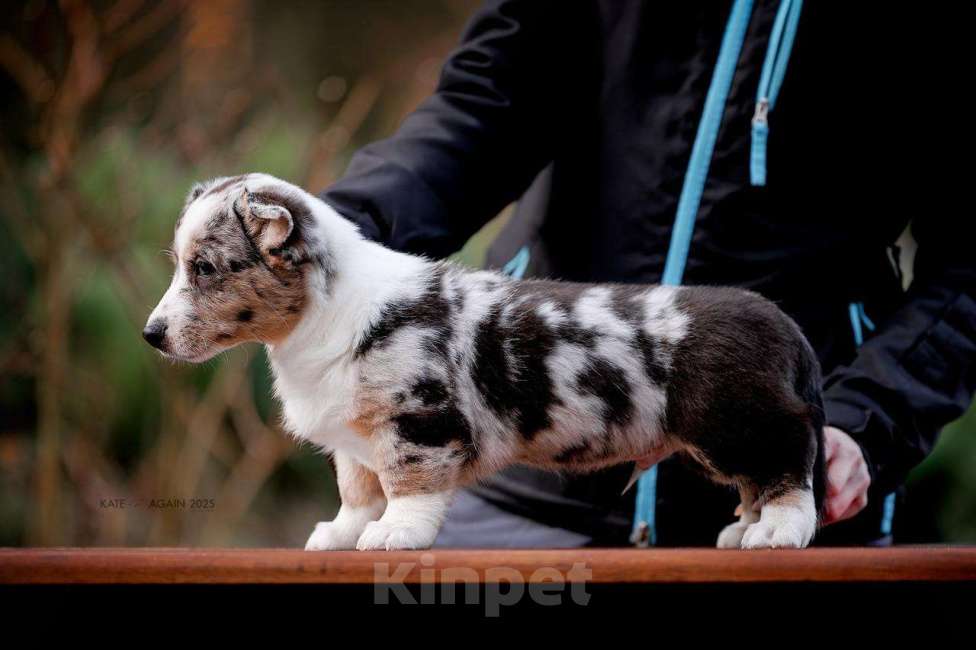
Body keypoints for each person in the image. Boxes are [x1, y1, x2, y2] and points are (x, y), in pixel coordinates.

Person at [319, 1, 975, 546]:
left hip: (788, 503)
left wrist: (868, 418)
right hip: (519, 484)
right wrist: (329, 238)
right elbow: (483, 108)